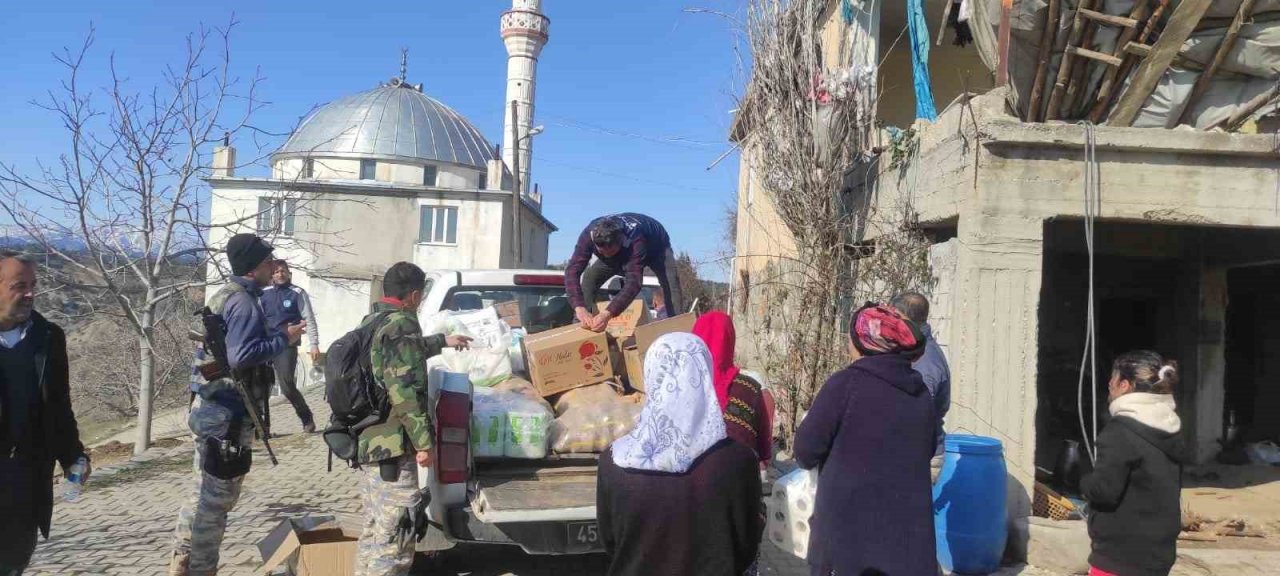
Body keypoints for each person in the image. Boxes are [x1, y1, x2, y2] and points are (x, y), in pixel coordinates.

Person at [170, 234, 306, 576]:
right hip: (227, 415)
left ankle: (182, 559)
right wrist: (284, 338)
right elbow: (241, 356)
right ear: (253, 267)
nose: (273, 267)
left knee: (201, 491)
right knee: (215, 503)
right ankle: (199, 569)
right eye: (268, 262)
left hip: (211, 407)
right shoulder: (243, 302)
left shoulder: (225, 295)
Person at [599, 332, 762, 576]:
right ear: (705, 375)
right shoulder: (739, 460)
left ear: (651, 376)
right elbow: (746, 544)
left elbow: (611, 542)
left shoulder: (615, 461)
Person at [794, 303, 937, 576]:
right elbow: (926, 450)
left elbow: (805, 452)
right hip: (906, 546)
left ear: (863, 342)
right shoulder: (920, 393)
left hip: (848, 546)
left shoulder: (845, 385)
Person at [355, 262, 470, 576]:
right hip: (393, 446)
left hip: (370, 441)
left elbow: (399, 356)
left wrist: (442, 341)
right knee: (397, 536)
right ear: (415, 295)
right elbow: (403, 389)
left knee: (376, 530)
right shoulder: (402, 324)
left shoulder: (374, 320)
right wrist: (423, 443)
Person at [0, 251, 89, 575]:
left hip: (26, 481)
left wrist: (73, 455)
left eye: (32, 285)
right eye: (19, 285)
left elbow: (59, 405)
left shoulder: (48, 337)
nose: (29, 294)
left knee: (13, 563)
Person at [1081, 351, 1183, 576]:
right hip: (1159, 555)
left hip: (1119, 555)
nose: (1109, 384)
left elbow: (1104, 491)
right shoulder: (1171, 428)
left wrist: (1082, 480)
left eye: (1114, 378)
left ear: (1125, 385)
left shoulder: (1120, 431)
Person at [565, 213, 684, 332]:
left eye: (611, 251)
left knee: (670, 283)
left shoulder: (635, 239)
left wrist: (608, 313)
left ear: (621, 240)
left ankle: (676, 326)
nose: (607, 254)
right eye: (602, 252)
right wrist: (579, 307)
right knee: (590, 277)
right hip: (622, 251)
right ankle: (580, 323)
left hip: (657, 247)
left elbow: (634, 283)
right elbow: (572, 270)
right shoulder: (588, 235)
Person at [692, 310, 772, 468]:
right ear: (730, 341)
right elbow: (764, 451)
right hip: (739, 476)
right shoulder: (750, 388)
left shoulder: (680, 390)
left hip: (690, 478)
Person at [891, 292, 951, 483]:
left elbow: (916, 414)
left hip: (920, 455)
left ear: (902, 317)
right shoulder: (914, 349)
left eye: (893, 316)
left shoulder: (925, 362)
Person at [259, 260, 319, 434]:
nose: (280, 274)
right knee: (262, 386)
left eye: (283, 271)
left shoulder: (297, 293)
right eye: (276, 271)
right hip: (266, 344)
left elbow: (309, 319)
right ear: (272, 275)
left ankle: (306, 418)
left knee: (286, 384)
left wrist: (314, 344)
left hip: (287, 345)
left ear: (288, 273)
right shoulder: (263, 293)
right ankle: (263, 427)